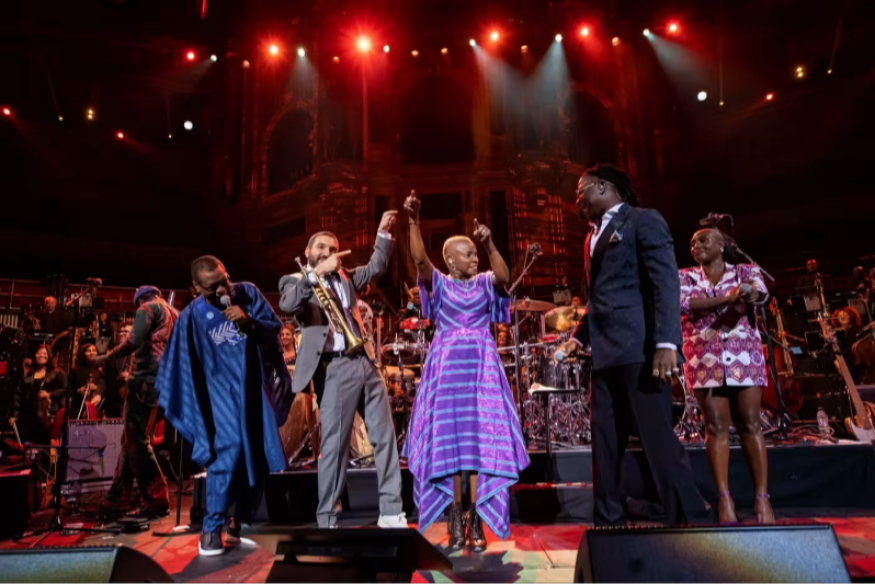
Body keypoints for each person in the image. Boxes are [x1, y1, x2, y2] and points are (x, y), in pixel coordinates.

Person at [554, 163, 710, 527]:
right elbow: (598, 299)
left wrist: (667, 342)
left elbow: (664, 284)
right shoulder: (590, 238)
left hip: (640, 352)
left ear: (605, 187)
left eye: (582, 191)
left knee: (657, 439)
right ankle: (608, 522)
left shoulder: (642, 220)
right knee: (605, 444)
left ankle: (689, 519)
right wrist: (578, 338)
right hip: (605, 357)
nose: (578, 200)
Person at [402, 190, 529, 550]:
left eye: (475, 253)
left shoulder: (485, 282)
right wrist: (414, 221)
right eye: (469, 253)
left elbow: (504, 275)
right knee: (452, 449)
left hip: (481, 374)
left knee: (477, 449)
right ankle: (456, 515)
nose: (474, 258)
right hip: (446, 376)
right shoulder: (439, 284)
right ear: (450, 260)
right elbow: (420, 259)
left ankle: (475, 519)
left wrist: (489, 245)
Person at [278, 212, 406, 530]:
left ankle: (391, 510)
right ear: (308, 252)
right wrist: (314, 274)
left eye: (332, 248)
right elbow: (288, 305)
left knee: (385, 438)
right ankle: (328, 517)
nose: (328, 252)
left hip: (364, 360)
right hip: (334, 368)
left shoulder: (347, 277)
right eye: (321, 247)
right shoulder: (295, 281)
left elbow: (376, 267)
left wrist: (382, 234)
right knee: (335, 445)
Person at [157, 257, 292, 556]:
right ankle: (211, 527)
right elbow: (179, 366)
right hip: (219, 397)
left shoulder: (247, 294)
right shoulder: (191, 317)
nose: (222, 289)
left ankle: (237, 522)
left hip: (253, 391)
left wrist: (249, 322)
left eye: (224, 280)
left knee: (257, 453)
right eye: (212, 286)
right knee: (226, 454)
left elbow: (274, 333)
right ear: (195, 288)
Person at [679, 228, 774, 525]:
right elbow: (685, 304)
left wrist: (750, 293)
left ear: (722, 245)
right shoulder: (684, 277)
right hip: (704, 358)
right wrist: (728, 298)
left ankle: (762, 500)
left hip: (744, 357)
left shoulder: (747, 270)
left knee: (750, 423)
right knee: (716, 427)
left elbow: (760, 293)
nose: (696, 245)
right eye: (692, 242)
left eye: (704, 240)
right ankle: (725, 501)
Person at [98, 287, 177, 518]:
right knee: (130, 441)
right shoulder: (175, 313)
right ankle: (118, 497)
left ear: (140, 299)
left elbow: (133, 341)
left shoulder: (148, 308)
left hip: (143, 378)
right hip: (162, 381)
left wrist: (108, 356)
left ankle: (156, 497)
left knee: (137, 442)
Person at [8, 345, 67, 446]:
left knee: (44, 447)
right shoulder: (27, 372)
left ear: (49, 355)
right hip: (27, 416)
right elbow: (17, 394)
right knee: (27, 447)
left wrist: (49, 394)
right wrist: (15, 415)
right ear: (35, 355)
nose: (41, 355)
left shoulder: (57, 372)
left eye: (45, 353)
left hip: (48, 417)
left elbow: (65, 390)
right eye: (39, 353)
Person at [101, 320, 134, 418]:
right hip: (112, 403)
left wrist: (132, 376)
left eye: (126, 331)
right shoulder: (112, 354)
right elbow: (105, 377)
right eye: (120, 331)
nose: (122, 333)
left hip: (133, 401)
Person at [68, 342, 104, 419]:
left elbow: (105, 387)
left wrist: (97, 389)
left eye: (94, 350)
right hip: (78, 406)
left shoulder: (101, 370)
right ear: (83, 354)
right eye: (88, 351)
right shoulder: (75, 370)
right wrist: (79, 390)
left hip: (96, 406)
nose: (92, 353)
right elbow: (69, 389)